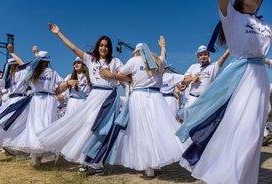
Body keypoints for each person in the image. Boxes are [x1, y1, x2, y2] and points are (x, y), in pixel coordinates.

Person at [176, 0, 271, 183]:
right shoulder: (232, 17)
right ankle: (224, 176)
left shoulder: (266, 25)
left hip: (260, 78)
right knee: (243, 131)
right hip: (241, 76)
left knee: (255, 134)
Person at [37, 23, 127, 174]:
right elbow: (72, 47)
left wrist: (112, 75)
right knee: (89, 125)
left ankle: (95, 162)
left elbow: (127, 77)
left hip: (110, 97)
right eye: (101, 45)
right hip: (95, 97)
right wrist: (59, 33)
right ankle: (85, 159)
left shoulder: (115, 61)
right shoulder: (90, 59)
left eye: (106, 46)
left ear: (109, 48)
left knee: (103, 130)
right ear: (97, 47)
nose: (103, 48)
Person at [103, 43, 191, 178]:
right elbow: (163, 56)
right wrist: (163, 46)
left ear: (136, 52)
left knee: (141, 131)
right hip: (157, 97)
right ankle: (158, 160)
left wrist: (126, 78)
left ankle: (148, 164)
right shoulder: (159, 61)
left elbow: (120, 74)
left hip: (139, 97)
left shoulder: (134, 61)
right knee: (158, 130)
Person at [5, 48, 66, 166]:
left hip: (39, 100)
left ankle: (41, 157)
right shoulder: (50, 72)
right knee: (45, 125)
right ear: (48, 61)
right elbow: (61, 84)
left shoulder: (39, 72)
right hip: (47, 100)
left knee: (37, 126)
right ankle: (43, 155)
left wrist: (12, 52)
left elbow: (21, 61)